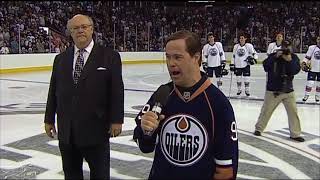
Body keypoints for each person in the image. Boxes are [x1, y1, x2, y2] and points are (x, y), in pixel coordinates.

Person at [133, 30, 239, 180]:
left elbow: (226, 169)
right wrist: (146, 131)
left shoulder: (218, 103)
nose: (171, 63)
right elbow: (145, 146)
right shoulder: (163, 93)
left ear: (196, 58)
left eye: (177, 57)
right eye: (168, 57)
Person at [44, 14, 124, 179]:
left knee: (100, 175)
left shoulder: (110, 56)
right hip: (67, 131)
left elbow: (116, 90)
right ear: (70, 32)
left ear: (92, 29)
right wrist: (49, 118)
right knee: (71, 174)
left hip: (96, 129)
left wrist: (117, 120)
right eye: (75, 28)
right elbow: (53, 90)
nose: (80, 30)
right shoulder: (60, 59)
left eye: (84, 27)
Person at [253, 40, 305, 142]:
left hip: (288, 91)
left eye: (288, 47)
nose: (286, 49)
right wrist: (274, 57)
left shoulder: (293, 58)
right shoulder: (274, 55)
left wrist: (289, 61)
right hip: (273, 90)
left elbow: (295, 71)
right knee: (266, 111)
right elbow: (265, 66)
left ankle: (295, 133)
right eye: (285, 47)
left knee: (293, 113)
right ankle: (259, 129)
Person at [301, 36, 320, 103]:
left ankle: (317, 96)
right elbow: (307, 57)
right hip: (313, 69)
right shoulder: (312, 48)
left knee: (319, 84)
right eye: (318, 39)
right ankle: (306, 95)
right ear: (316, 40)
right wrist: (304, 62)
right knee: (310, 83)